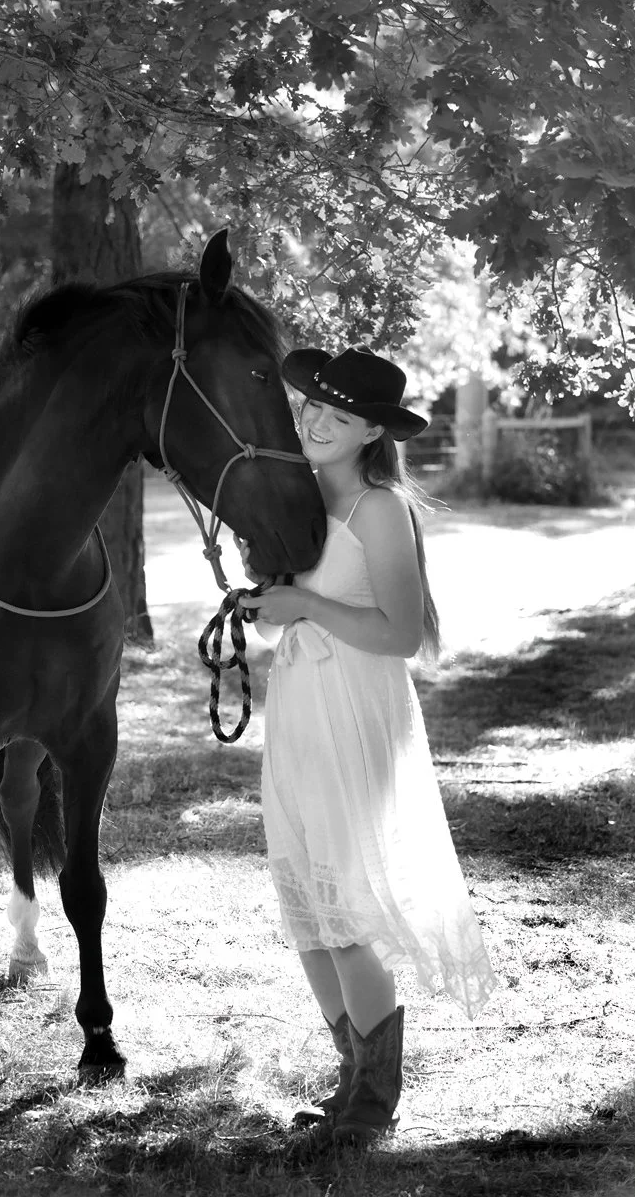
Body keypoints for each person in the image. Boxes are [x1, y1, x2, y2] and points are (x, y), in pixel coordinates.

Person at [236, 345, 497, 1144]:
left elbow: (402, 634)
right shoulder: (294, 495)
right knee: (307, 908)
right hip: (301, 706)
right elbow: (294, 596)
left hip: (356, 709)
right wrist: (267, 605)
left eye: (337, 416)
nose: (315, 420)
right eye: (309, 405)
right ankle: (350, 1078)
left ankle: (373, 1104)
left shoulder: (379, 508)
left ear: (368, 434)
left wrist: (304, 605)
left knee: (344, 910)